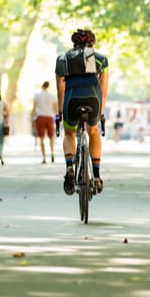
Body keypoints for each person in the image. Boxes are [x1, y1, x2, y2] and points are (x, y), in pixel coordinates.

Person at [55, 28, 109, 195]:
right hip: (93, 99)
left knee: (69, 133)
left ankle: (70, 167)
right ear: (91, 42)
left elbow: (60, 89)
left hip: (71, 99)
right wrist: (100, 112)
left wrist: (60, 111)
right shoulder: (100, 60)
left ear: (74, 42)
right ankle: (97, 175)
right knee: (93, 132)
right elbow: (103, 88)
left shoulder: (62, 59)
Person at [31, 81, 57, 164]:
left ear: (42, 86)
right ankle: (52, 153)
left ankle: (44, 157)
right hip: (49, 116)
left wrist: (32, 118)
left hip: (40, 116)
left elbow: (34, 108)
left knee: (41, 138)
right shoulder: (52, 96)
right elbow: (55, 108)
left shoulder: (37, 95)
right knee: (51, 137)